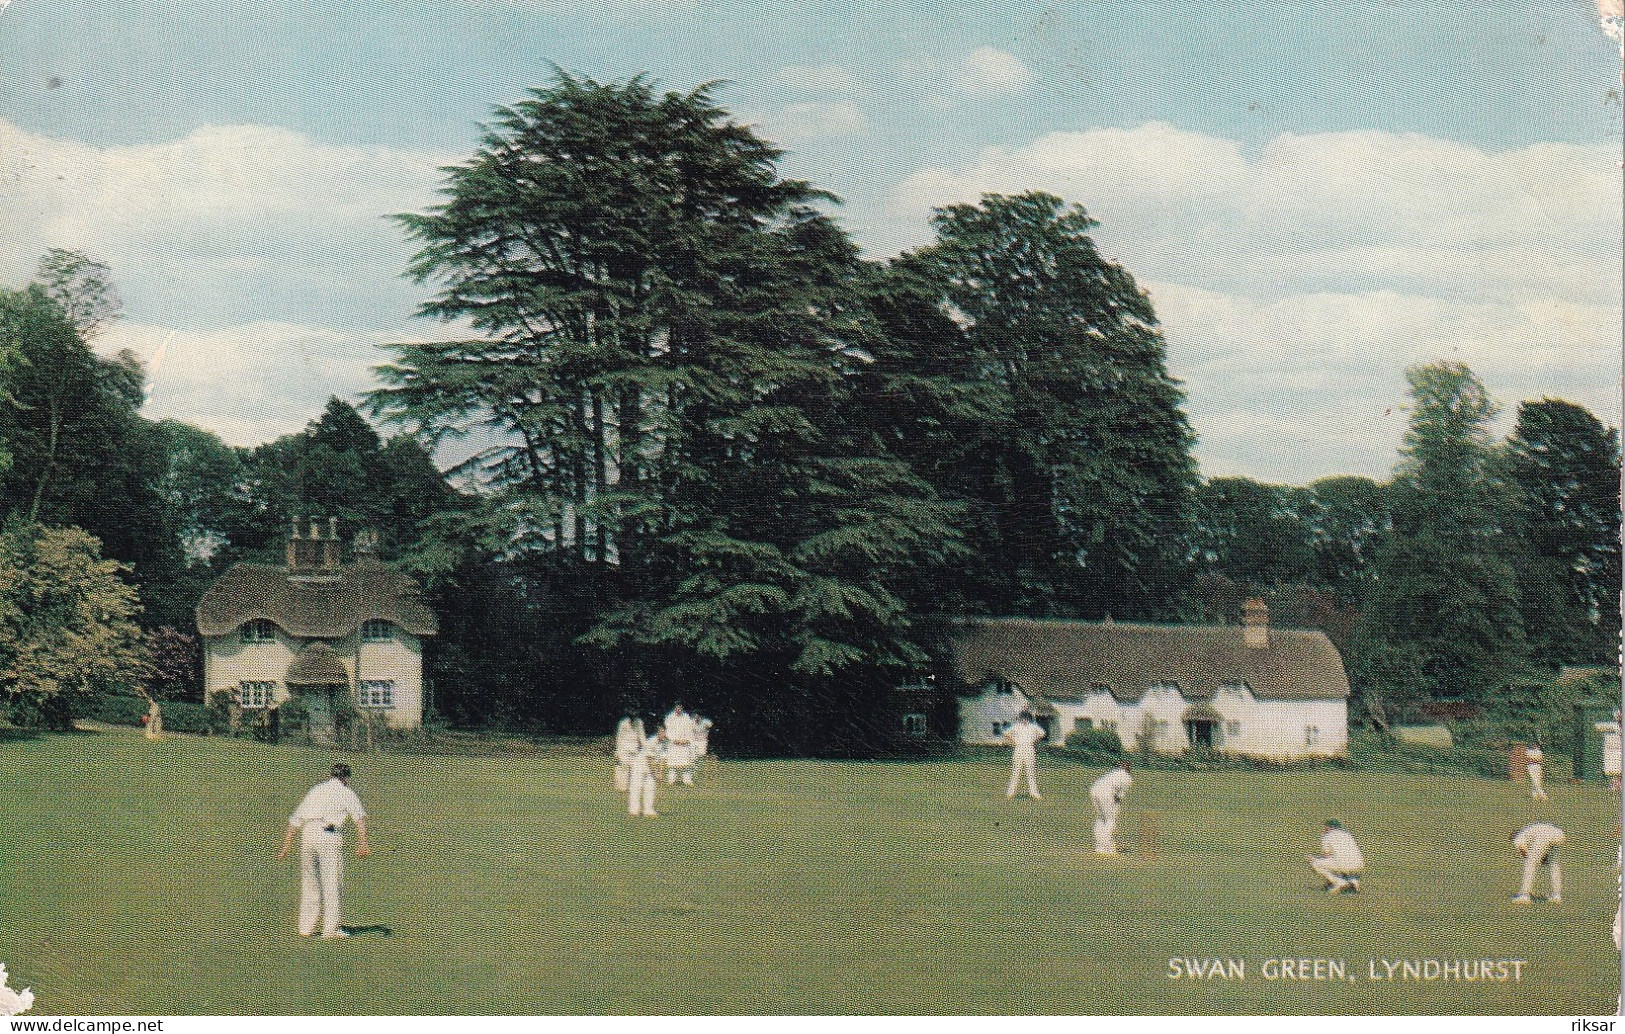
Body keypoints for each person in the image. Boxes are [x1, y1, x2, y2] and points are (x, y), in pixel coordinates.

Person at [276, 762, 371, 939]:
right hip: (328, 836)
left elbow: (295, 819)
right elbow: (359, 819)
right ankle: (331, 930)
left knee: (310, 883)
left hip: (308, 835)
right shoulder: (346, 792)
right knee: (332, 884)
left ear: (331, 775)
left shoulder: (316, 790)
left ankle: (306, 929)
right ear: (346, 778)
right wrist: (363, 843)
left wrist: (286, 846)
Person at [1511, 821, 1565, 904]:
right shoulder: (1528, 829)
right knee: (1554, 864)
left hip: (1543, 835)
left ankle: (1524, 895)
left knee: (1529, 864)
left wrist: (1536, 860)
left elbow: (1523, 849)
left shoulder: (1518, 837)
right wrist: (1541, 858)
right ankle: (1557, 895)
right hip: (1559, 834)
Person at [1309, 819, 1365, 894]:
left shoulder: (1327, 836)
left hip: (1343, 864)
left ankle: (1340, 883)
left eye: (1325, 826)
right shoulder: (1347, 834)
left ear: (1329, 827)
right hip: (1359, 864)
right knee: (1342, 864)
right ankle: (1354, 882)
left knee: (1315, 864)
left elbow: (1326, 854)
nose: (1324, 828)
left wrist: (1315, 858)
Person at [1090, 760, 1133, 854]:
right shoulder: (1128, 778)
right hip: (1106, 793)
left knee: (1101, 818)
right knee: (1110, 820)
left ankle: (1099, 847)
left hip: (1094, 790)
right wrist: (1115, 809)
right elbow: (1118, 797)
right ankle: (1108, 847)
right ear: (1129, 768)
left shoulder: (1113, 773)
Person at [1003, 710, 1045, 799]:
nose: (1024, 720)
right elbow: (1006, 734)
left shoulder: (1033, 727)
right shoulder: (1016, 726)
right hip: (1018, 749)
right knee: (1016, 771)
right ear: (1020, 719)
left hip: (1029, 748)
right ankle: (1010, 793)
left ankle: (1034, 793)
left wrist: (1034, 742)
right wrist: (1014, 742)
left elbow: (1042, 734)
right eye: (1022, 718)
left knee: (1030, 771)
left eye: (1026, 718)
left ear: (1029, 719)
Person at [627, 727, 662, 818]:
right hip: (639, 766)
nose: (665, 734)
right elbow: (649, 759)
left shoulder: (665, 743)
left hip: (651, 768)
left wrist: (660, 772)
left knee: (650, 788)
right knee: (636, 788)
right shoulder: (651, 741)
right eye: (663, 732)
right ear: (659, 732)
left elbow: (663, 759)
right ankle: (634, 810)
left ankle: (649, 810)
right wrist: (655, 773)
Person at [663, 703, 699, 785]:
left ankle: (687, 780)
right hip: (674, 743)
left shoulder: (686, 717)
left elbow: (690, 729)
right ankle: (671, 780)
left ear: (682, 708)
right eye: (677, 708)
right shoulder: (670, 717)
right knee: (673, 763)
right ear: (674, 708)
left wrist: (686, 740)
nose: (679, 709)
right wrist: (674, 740)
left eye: (680, 708)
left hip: (684, 743)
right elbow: (668, 730)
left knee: (686, 763)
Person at [613, 714, 645, 792]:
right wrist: (617, 751)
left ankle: (632, 786)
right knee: (624, 767)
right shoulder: (623, 723)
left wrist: (646, 747)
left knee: (634, 768)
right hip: (624, 748)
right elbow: (619, 737)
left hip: (634, 748)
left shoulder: (639, 722)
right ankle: (622, 787)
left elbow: (641, 736)